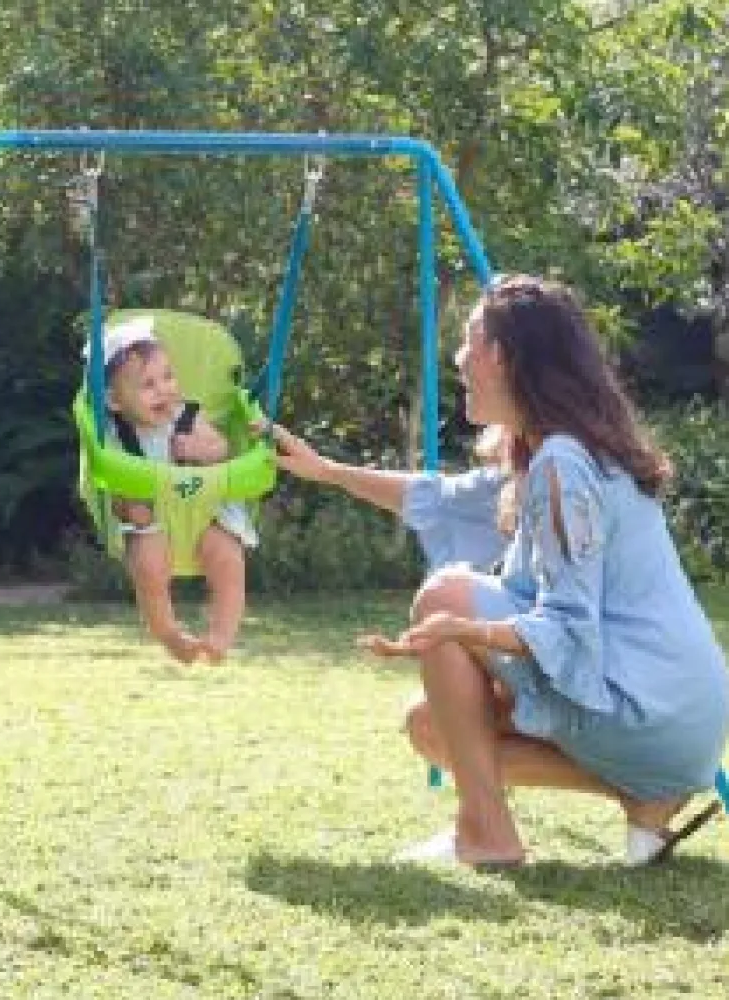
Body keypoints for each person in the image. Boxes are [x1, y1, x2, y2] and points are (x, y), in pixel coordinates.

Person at [270, 274, 729, 867]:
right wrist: (328, 471)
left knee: (445, 595)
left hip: (651, 704)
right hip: (680, 715)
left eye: (470, 341)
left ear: (506, 357)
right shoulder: (553, 453)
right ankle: (647, 797)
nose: (459, 359)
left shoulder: (563, 466)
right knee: (432, 728)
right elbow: (441, 500)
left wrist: (462, 629)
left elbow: (567, 626)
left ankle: (488, 838)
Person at [94, 315, 256, 664]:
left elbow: (223, 449)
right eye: (147, 385)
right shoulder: (115, 435)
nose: (163, 390)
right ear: (115, 401)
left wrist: (200, 450)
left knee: (229, 560)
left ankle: (221, 636)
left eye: (168, 377)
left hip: (207, 515)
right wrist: (129, 505)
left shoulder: (187, 417)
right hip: (152, 521)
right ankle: (169, 633)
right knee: (147, 565)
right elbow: (109, 481)